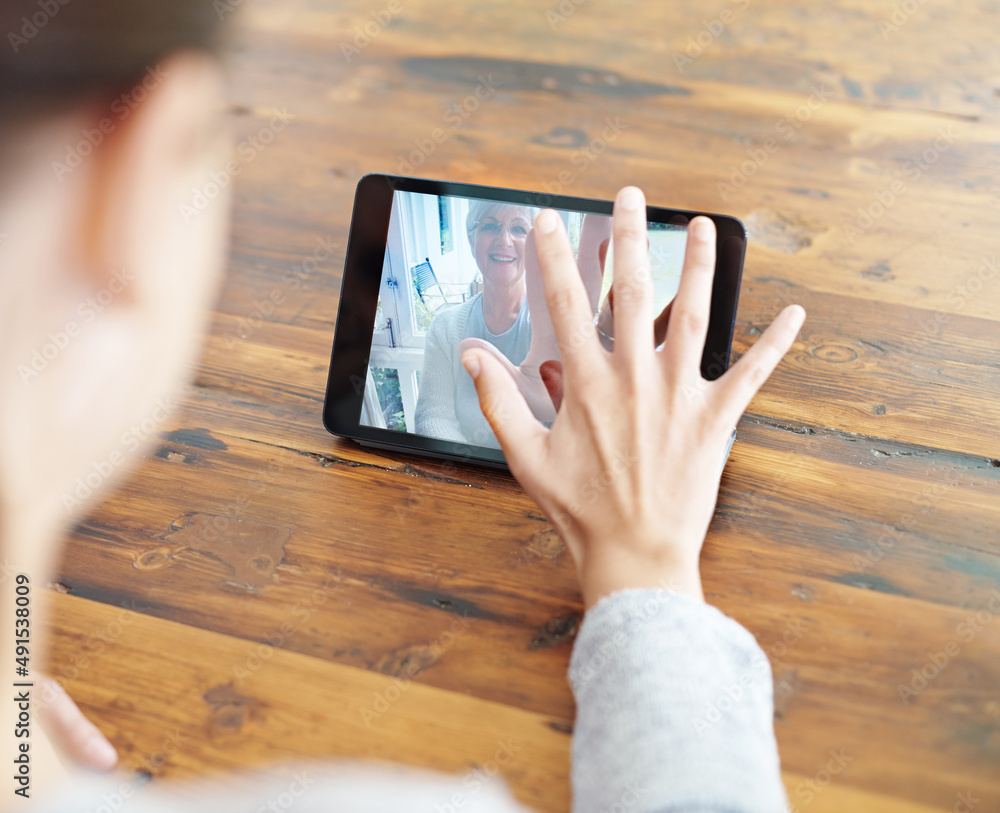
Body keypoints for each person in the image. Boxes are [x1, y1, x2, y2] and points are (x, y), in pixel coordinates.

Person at [0, 2, 807, 811]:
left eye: (512, 233)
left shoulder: (571, 336)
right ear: (132, 175)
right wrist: (648, 569)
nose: (501, 244)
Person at [414, 201, 537, 447]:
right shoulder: (445, 328)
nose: (505, 240)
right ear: (472, 242)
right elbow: (432, 418)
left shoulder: (553, 328)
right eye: (490, 227)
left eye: (519, 229)